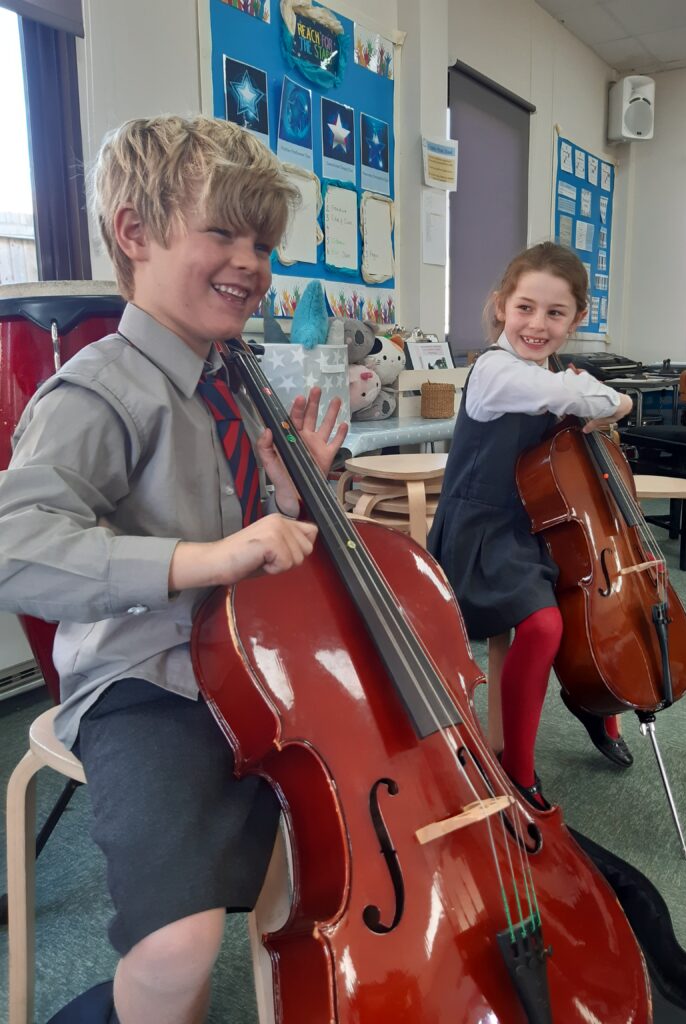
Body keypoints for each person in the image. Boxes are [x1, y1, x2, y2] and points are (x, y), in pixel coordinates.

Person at [0, 115, 348, 1024]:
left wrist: (289, 494)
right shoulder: (95, 389)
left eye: (263, 242)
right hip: (147, 679)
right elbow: (14, 546)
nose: (252, 261)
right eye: (224, 232)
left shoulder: (230, 375)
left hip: (255, 667)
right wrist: (205, 558)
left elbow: (265, 548)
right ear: (135, 233)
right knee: (176, 949)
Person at [428, 242, 634, 812]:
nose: (536, 325)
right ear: (500, 306)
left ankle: (594, 703)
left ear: (577, 319)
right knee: (543, 626)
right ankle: (516, 769)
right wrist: (614, 401)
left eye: (555, 313)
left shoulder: (543, 370)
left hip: (540, 526)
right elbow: (575, 395)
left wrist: (598, 403)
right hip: (483, 532)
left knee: (593, 608)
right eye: (525, 308)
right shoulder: (497, 372)